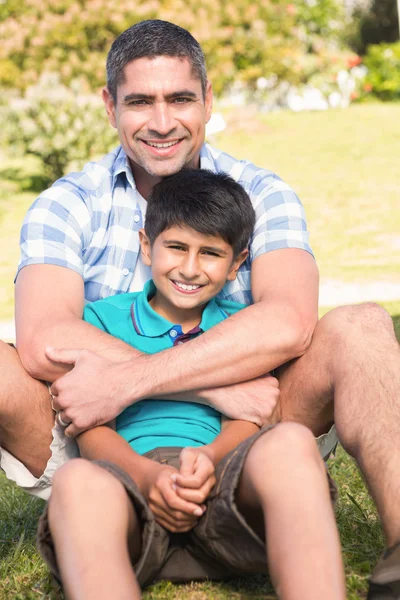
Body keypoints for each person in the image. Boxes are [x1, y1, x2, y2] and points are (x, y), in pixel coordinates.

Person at [0, 19, 398, 598]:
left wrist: (137, 379)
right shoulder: (68, 204)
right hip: (95, 433)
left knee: (361, 324)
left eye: (180, 98)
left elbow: (287, 322)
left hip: (253, 433)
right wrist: (209, 386)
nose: (162, 122)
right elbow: (43, 339)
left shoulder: (262, 193)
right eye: (140, 101)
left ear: (208, 101)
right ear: (110, 105)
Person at [37, 169, 346, 600]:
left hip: (222, 487)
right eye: (176, 247)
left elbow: (249, 417)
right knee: (75, 482)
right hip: (126, 490)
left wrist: (210, 458)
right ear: (147, 245)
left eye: (210, 254)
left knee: (290, 441)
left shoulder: (238, 333)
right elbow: (90, 426)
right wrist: (146, 477)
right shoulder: (100, 322)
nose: (189, 268)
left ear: (238, 263)